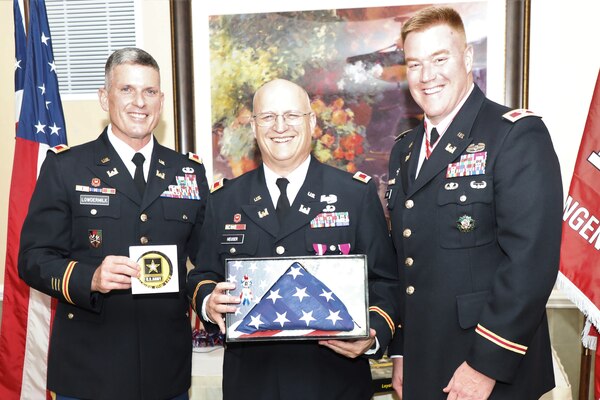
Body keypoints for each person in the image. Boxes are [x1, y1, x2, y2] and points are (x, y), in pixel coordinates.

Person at [385, 6, 563, 400]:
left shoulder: (516, 135)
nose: (427, 76)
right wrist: (400, 352)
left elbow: (530, 263)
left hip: (490, 370)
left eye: (440, 59)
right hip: (423, 363)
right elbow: (405, 261)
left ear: (467, 58)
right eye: (414, 64)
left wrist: (487, 364)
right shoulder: (405, 150)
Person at [187, 78, 401, 400]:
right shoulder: (224, 200)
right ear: (255, 127)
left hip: (335, 384)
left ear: (311, 122)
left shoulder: (354, 195)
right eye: (268, 117)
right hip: (252, 385)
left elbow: (386, 281)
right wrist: (208, 301)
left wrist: (371, 335)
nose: (280, 126)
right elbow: (203, 274)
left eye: (292, 115)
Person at [18, 47, 209, 400]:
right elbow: (33, 258)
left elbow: (207, 261)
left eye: (149, 92)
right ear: (104, 98)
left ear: (161, 100)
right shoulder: (66, 168)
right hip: (90, 371)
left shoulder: (188, 172)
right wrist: (88, 277)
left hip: (165, 373)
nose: (140, 102)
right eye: (127, 90)